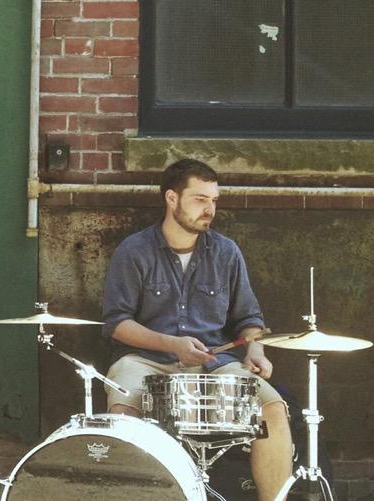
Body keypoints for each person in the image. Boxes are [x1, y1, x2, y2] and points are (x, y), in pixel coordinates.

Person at [101, 159, 292, 500]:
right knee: (122, 416)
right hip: (145, 361)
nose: (210, 209)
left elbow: (249, 317)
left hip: (214, 362)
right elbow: (117, 324)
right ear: (172, 199)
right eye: (200, 199)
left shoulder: (226, 252)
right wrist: (172, 344)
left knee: (272, 408)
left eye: (214, 200)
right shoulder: (134, 251)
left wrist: (255, 349)